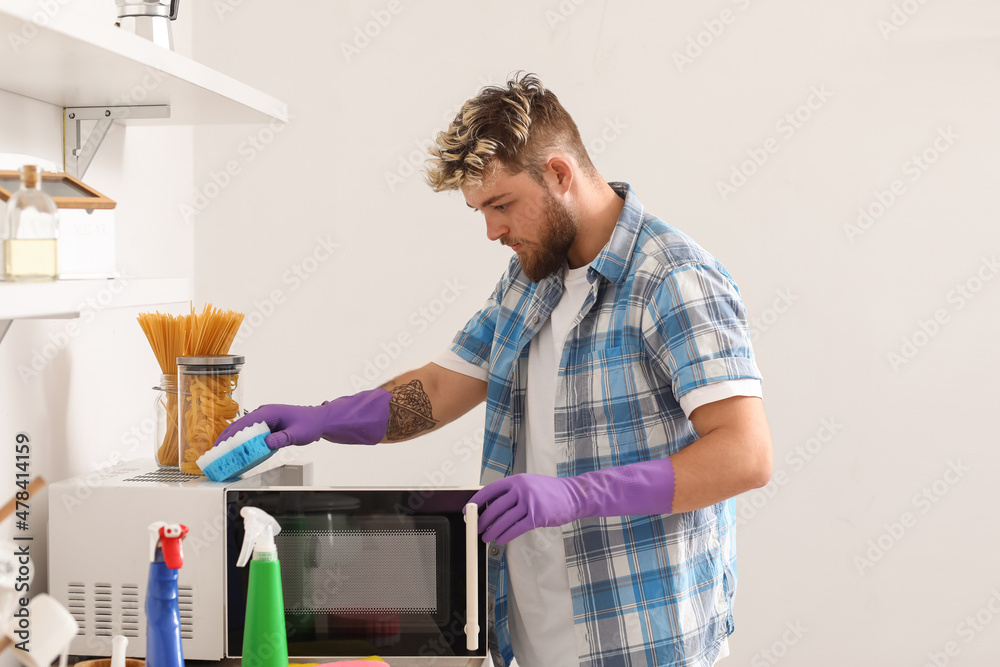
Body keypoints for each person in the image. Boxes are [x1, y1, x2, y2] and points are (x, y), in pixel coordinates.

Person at [216, 73, 773, 667]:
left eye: (502, 205)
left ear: (560, 174)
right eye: (480, 210)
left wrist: (575, 496)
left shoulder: (673, 278)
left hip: (642, 643)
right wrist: (318, 418)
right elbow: (435, 391)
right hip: (527, 641)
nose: (492, 230)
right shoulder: (531, 277)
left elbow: (746, 455)